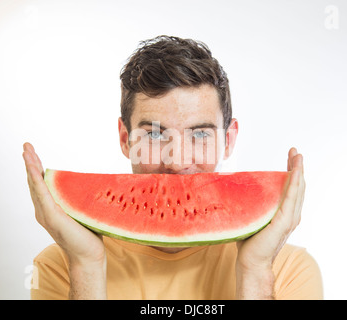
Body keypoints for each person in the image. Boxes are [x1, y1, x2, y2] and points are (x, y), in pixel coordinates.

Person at [23, 35, 322, 300]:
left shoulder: (287, 270)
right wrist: (86, 267)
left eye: (200, 134)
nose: (178, 162)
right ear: (125, 139)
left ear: (228, 140)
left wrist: (255, 270)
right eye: (154, 134)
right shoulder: (61, 266)